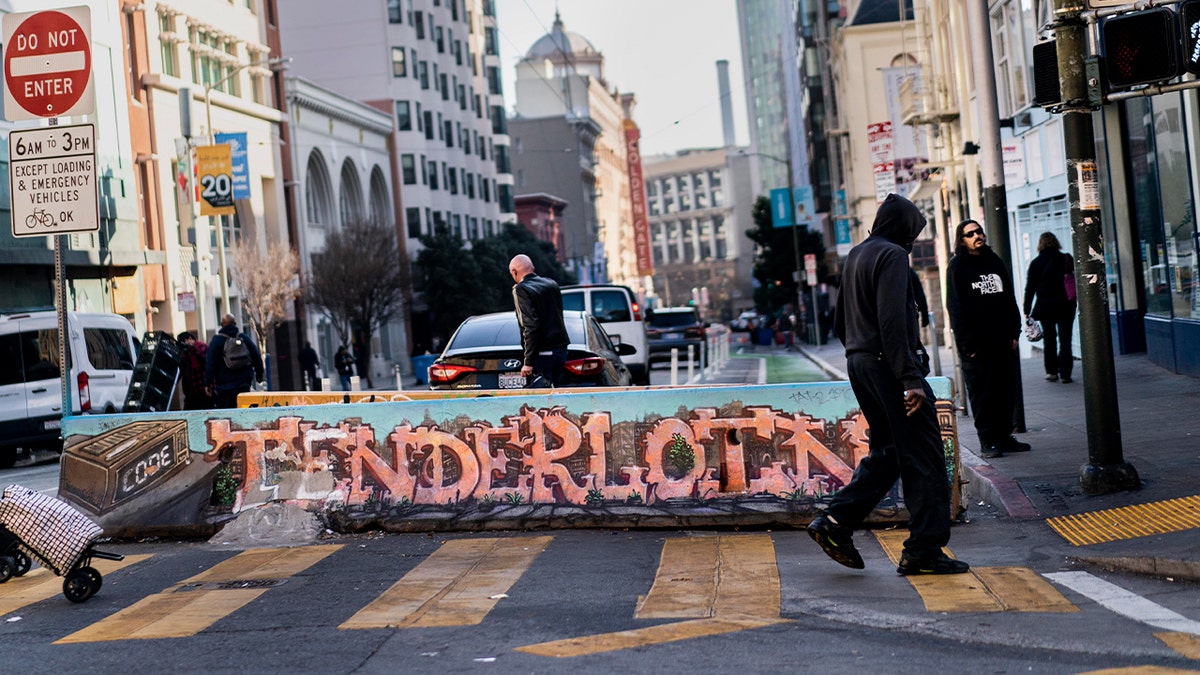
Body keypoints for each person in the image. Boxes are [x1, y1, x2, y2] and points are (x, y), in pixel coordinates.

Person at [807, 193, 969, 576]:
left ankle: (834, 523)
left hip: (859, 362)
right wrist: (910, 378)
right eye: (913, 232)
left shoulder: (857, 255)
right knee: (925, 457)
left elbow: (840, 323)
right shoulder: (893, 256)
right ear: (903, 230)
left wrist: (861, 357)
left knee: (891, 451)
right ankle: (923, 551)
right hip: (890, 367)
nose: (913, 241)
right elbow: (893, 320)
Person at [946, 219, 1030, 459]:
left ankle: (1004, 437)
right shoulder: (957, 266)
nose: (976, 236)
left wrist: (1014, 332)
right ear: (962, 240)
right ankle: (988, 441)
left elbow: (1008, 297)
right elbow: (955, 307)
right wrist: (968, 344)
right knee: (983, 395)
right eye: (970, 234)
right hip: (976, 346)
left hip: (1002, 341)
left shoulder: (994, 261)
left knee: (1005, 392)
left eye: (979, 231)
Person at [1023, 232, 1077, 383]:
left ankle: (1052, 371)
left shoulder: (1035, 263)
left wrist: (1026, 309)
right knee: (1066, 339)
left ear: (1040, 244)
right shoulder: (1066, 258)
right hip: (1066, 305)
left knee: (1049, 339)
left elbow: (1030, 288)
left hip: (1046, 306)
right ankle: (1066, 373)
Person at [509, 253, 570, 386]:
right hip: (561, 348)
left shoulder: (521, 290)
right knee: (558, 395)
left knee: (541, 400)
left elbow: (530, 326)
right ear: (533, 268)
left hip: (543, 352)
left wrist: (528, 362)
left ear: (514, 272)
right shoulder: (551, 284)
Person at [205, 313, 264, 409]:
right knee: (244, 410)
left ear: (221, 324)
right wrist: (259, 374)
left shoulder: (216, 341)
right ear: (235, 323)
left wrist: (207, 383)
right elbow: (256, 355)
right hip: (243, 384)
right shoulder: (244, 338)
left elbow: (210, 364)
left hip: (224, 387)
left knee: (228, 415)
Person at [176, 331, 212, 410]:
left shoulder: (201, 346)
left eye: (184, 341)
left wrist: (191, 347)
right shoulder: (185, 353)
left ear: (190, 339)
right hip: (191, 391)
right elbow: (181, 367)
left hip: (202, 388)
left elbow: (204, 359)